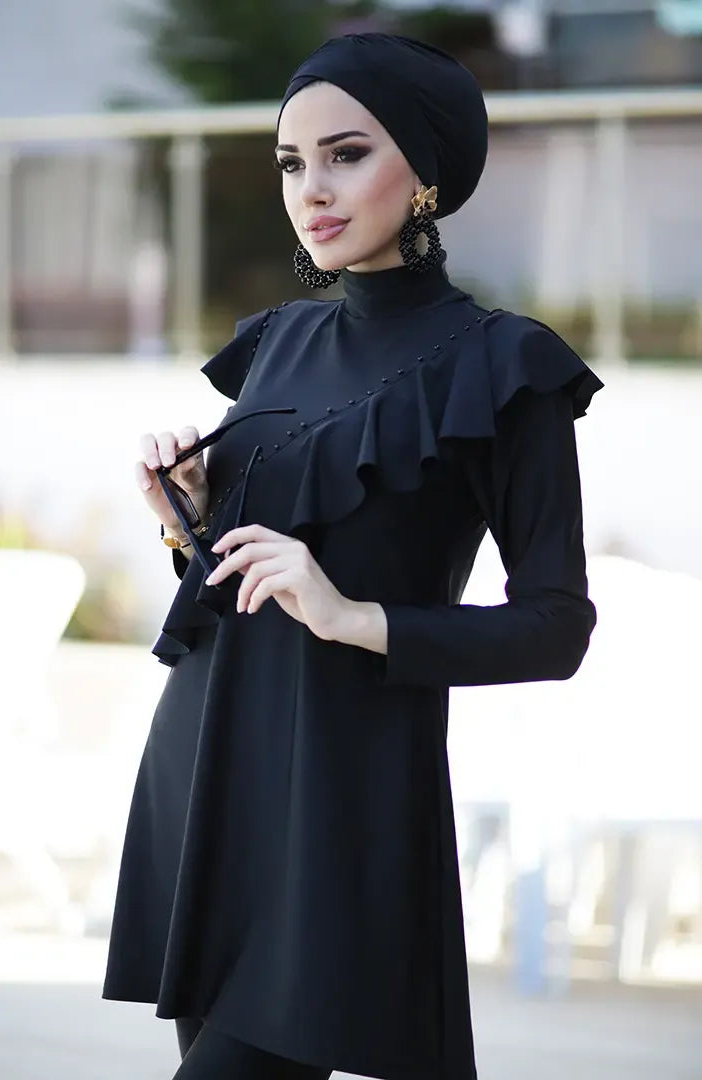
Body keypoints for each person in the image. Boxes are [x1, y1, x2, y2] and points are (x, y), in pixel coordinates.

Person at [101, 32, 604, 1080]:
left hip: (338, 800)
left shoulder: (507, 367)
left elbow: (557, 627)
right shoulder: (276, 342)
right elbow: (242, 583)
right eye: (291, 162)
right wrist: (184, 516)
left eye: (345, 154)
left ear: (423, 175)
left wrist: (354, 617)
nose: (310, 190)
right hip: (204, 774)